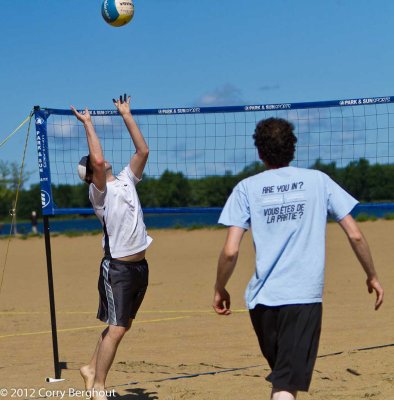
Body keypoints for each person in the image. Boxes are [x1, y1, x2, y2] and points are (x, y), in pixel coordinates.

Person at [212, 117, 384, 400]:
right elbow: (354, 234)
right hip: (301, 298)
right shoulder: (319, 180)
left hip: (262, 302)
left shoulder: (246, 187)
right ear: (293, 149)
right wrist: (372, 275)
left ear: (259, 152)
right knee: (284, 387)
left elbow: (231, 250)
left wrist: (220, 287)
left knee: (283, 381)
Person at [71, 94, 152, 400]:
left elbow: (142, 150)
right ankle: (99, 387)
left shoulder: (126, 180)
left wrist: (126, 114)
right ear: (91, 175)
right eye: (95, 164)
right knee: (116, 329)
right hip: (117, 268)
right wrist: (89, 124)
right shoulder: (99, 194)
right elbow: (98, 158)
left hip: (139, 266)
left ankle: (91, 368)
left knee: (122, 326)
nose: (101, 162)